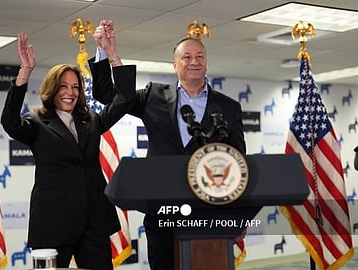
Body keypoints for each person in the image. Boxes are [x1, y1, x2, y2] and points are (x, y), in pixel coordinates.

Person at [89, 20, 246, 269]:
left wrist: (238, 217)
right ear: (175, 65)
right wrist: (110, 54)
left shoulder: (228, 107)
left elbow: (239, 163)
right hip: (162, 214)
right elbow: (109, 96)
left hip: (209, 214)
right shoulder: (153, 96)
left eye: (200, 56)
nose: (194, 61)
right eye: (186, 56)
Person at [0, 32, 136, 270]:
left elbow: (125, 99)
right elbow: (10, 123)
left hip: (94, 222)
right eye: (63, 86)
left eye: (75, 87)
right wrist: (25, 71)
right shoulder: (37, 122)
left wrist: (113, 56)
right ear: (52, 89)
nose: (70, 92)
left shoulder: (92, 120)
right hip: (54, 222)